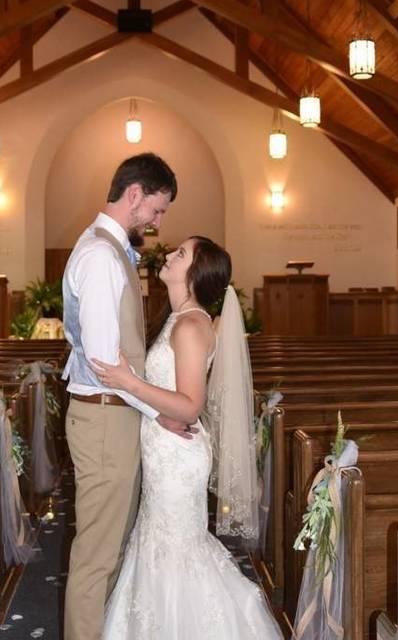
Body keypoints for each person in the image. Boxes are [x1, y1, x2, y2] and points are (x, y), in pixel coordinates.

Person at [92, 236, 284, 639]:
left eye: (180, 254)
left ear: (195, 274)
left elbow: (190, 405)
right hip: (167, 453)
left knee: (176, 550)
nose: (170, 255)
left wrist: (128, 381)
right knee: (162, 546)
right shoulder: (181, 319)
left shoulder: (192, 325)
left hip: (177, 461)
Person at [62, 153, 189, 640]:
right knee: (97, 556)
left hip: (114, 417)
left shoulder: (110, 249)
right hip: (104, 419)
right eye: (157, 210)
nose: (157, 223)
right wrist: (159, 412)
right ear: (134, 194)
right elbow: (103, 361)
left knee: (111, 548)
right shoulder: (99, 255)